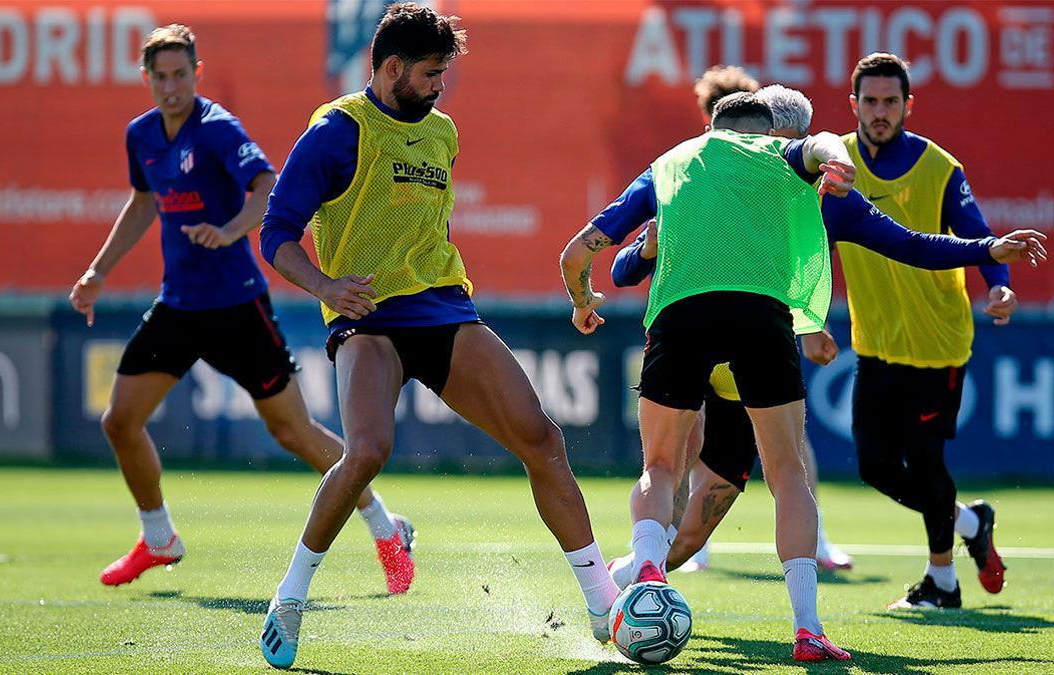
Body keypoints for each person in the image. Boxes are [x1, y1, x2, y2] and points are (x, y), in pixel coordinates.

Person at [255, 5, 618, 668]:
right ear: (390, 68)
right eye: (428, 74)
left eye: (443, 74)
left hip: (444, 311)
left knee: (542, 438)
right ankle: (290, 597)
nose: (438, 87)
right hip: (367, 318)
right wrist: (328, 289)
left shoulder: (442, 132)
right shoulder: (338, 131)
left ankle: (607, 605)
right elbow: (276, 234)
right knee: (366, 451)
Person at [605, 85, 1045, 580]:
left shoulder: (827, 194)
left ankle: (622, 588)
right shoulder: (703, 175)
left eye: (790, 147)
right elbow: (622, 271)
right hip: (689, 347)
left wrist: (988, 252)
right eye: (770, 143)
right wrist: (647, 250)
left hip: (747, 366)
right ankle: (640, 586)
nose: (776, 157)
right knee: (673, 461)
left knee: (691, 534)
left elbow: (910, 245)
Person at [67, 24, 415, 592]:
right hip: (178, 305)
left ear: (196, 74)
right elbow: (143, 202)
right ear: (147, 78)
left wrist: (229, 231)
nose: (171, 86)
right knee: (120, 420)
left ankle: (385, 526)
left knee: (293, 431)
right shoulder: (143, 136)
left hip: (236, 307)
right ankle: (158, 538)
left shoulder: (218, 130)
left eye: (181, 75)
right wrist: (97, 271)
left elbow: (266, 188)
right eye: (161, 76)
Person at [560, 92, 855, 662]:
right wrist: (835, 157)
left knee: (659, 467)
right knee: (789, 473)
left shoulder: (670, 164)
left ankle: (646, 568)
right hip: (761, 318)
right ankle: (809, 629)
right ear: (766, 132)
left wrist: (581, 303)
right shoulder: (781, 157)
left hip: (681, 317)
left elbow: (577, 254)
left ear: (709, 127)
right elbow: (821, 147)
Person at [843, 53, 1026, 609]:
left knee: (925, 461)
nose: (880, 112)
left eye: (890, 102)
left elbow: (978, 234)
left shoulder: (940, 167)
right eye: (870, 101)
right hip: (874, 339)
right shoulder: (836, 163)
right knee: (874, 466)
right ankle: (972, 521)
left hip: (938, 340)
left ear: (908, 106)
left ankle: (941, 582)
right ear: (853, 105)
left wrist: (998, 284)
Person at [682, 68, 853, 573]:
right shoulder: (704, 163)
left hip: (761, 321)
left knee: (787, 439)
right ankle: (689, 543)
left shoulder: (796, 169)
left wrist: (812, 323)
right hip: (704, 319)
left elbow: (801, 254)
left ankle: (815, 541)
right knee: (695, 432)